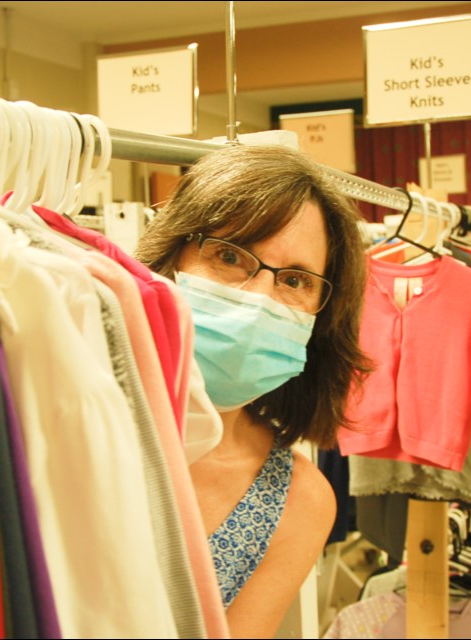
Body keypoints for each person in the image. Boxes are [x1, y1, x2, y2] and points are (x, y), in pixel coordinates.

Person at [136, 144, 372, 638]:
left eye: (295, 280)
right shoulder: (66, 416)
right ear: (170, 253)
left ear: (320, 319)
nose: (258, 299)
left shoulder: (297, 501)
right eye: (229, 255)